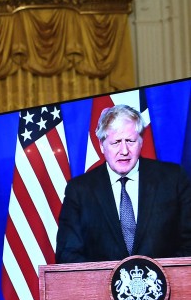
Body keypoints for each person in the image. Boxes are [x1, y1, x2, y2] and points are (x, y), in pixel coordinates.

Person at [56, 104, 191, 263]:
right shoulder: (79, 190)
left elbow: (188, 242)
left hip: (165, 285)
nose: (124, 151)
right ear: (101, 145)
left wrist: (159, 279)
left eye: (130, 141)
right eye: (116, 142)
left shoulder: (173, 178)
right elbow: (68, 255)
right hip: (101, 287)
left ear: (141, 141)